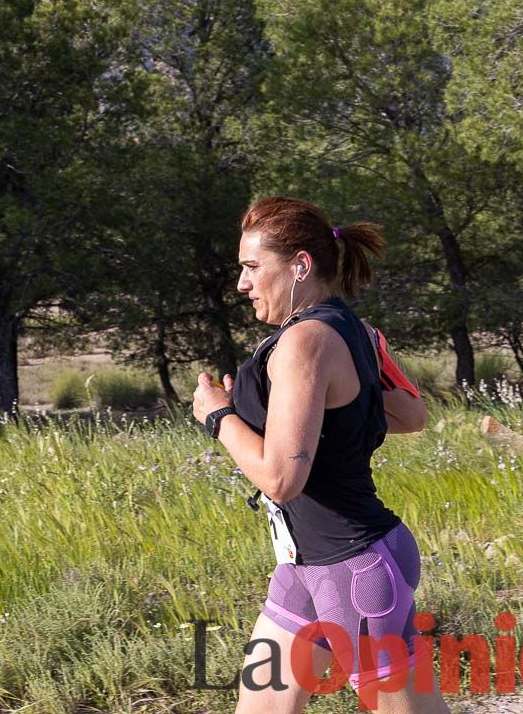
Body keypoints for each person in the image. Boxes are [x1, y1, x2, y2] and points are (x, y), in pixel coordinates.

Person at [192, 197, 449, 714]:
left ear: (300, 266)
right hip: (307, 567)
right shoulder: (355, 330)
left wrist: (220, 417)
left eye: (250, 267)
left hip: (352, 572)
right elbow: (411, 415)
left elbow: (282, 479)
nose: (241, 284)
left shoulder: (304, 342)